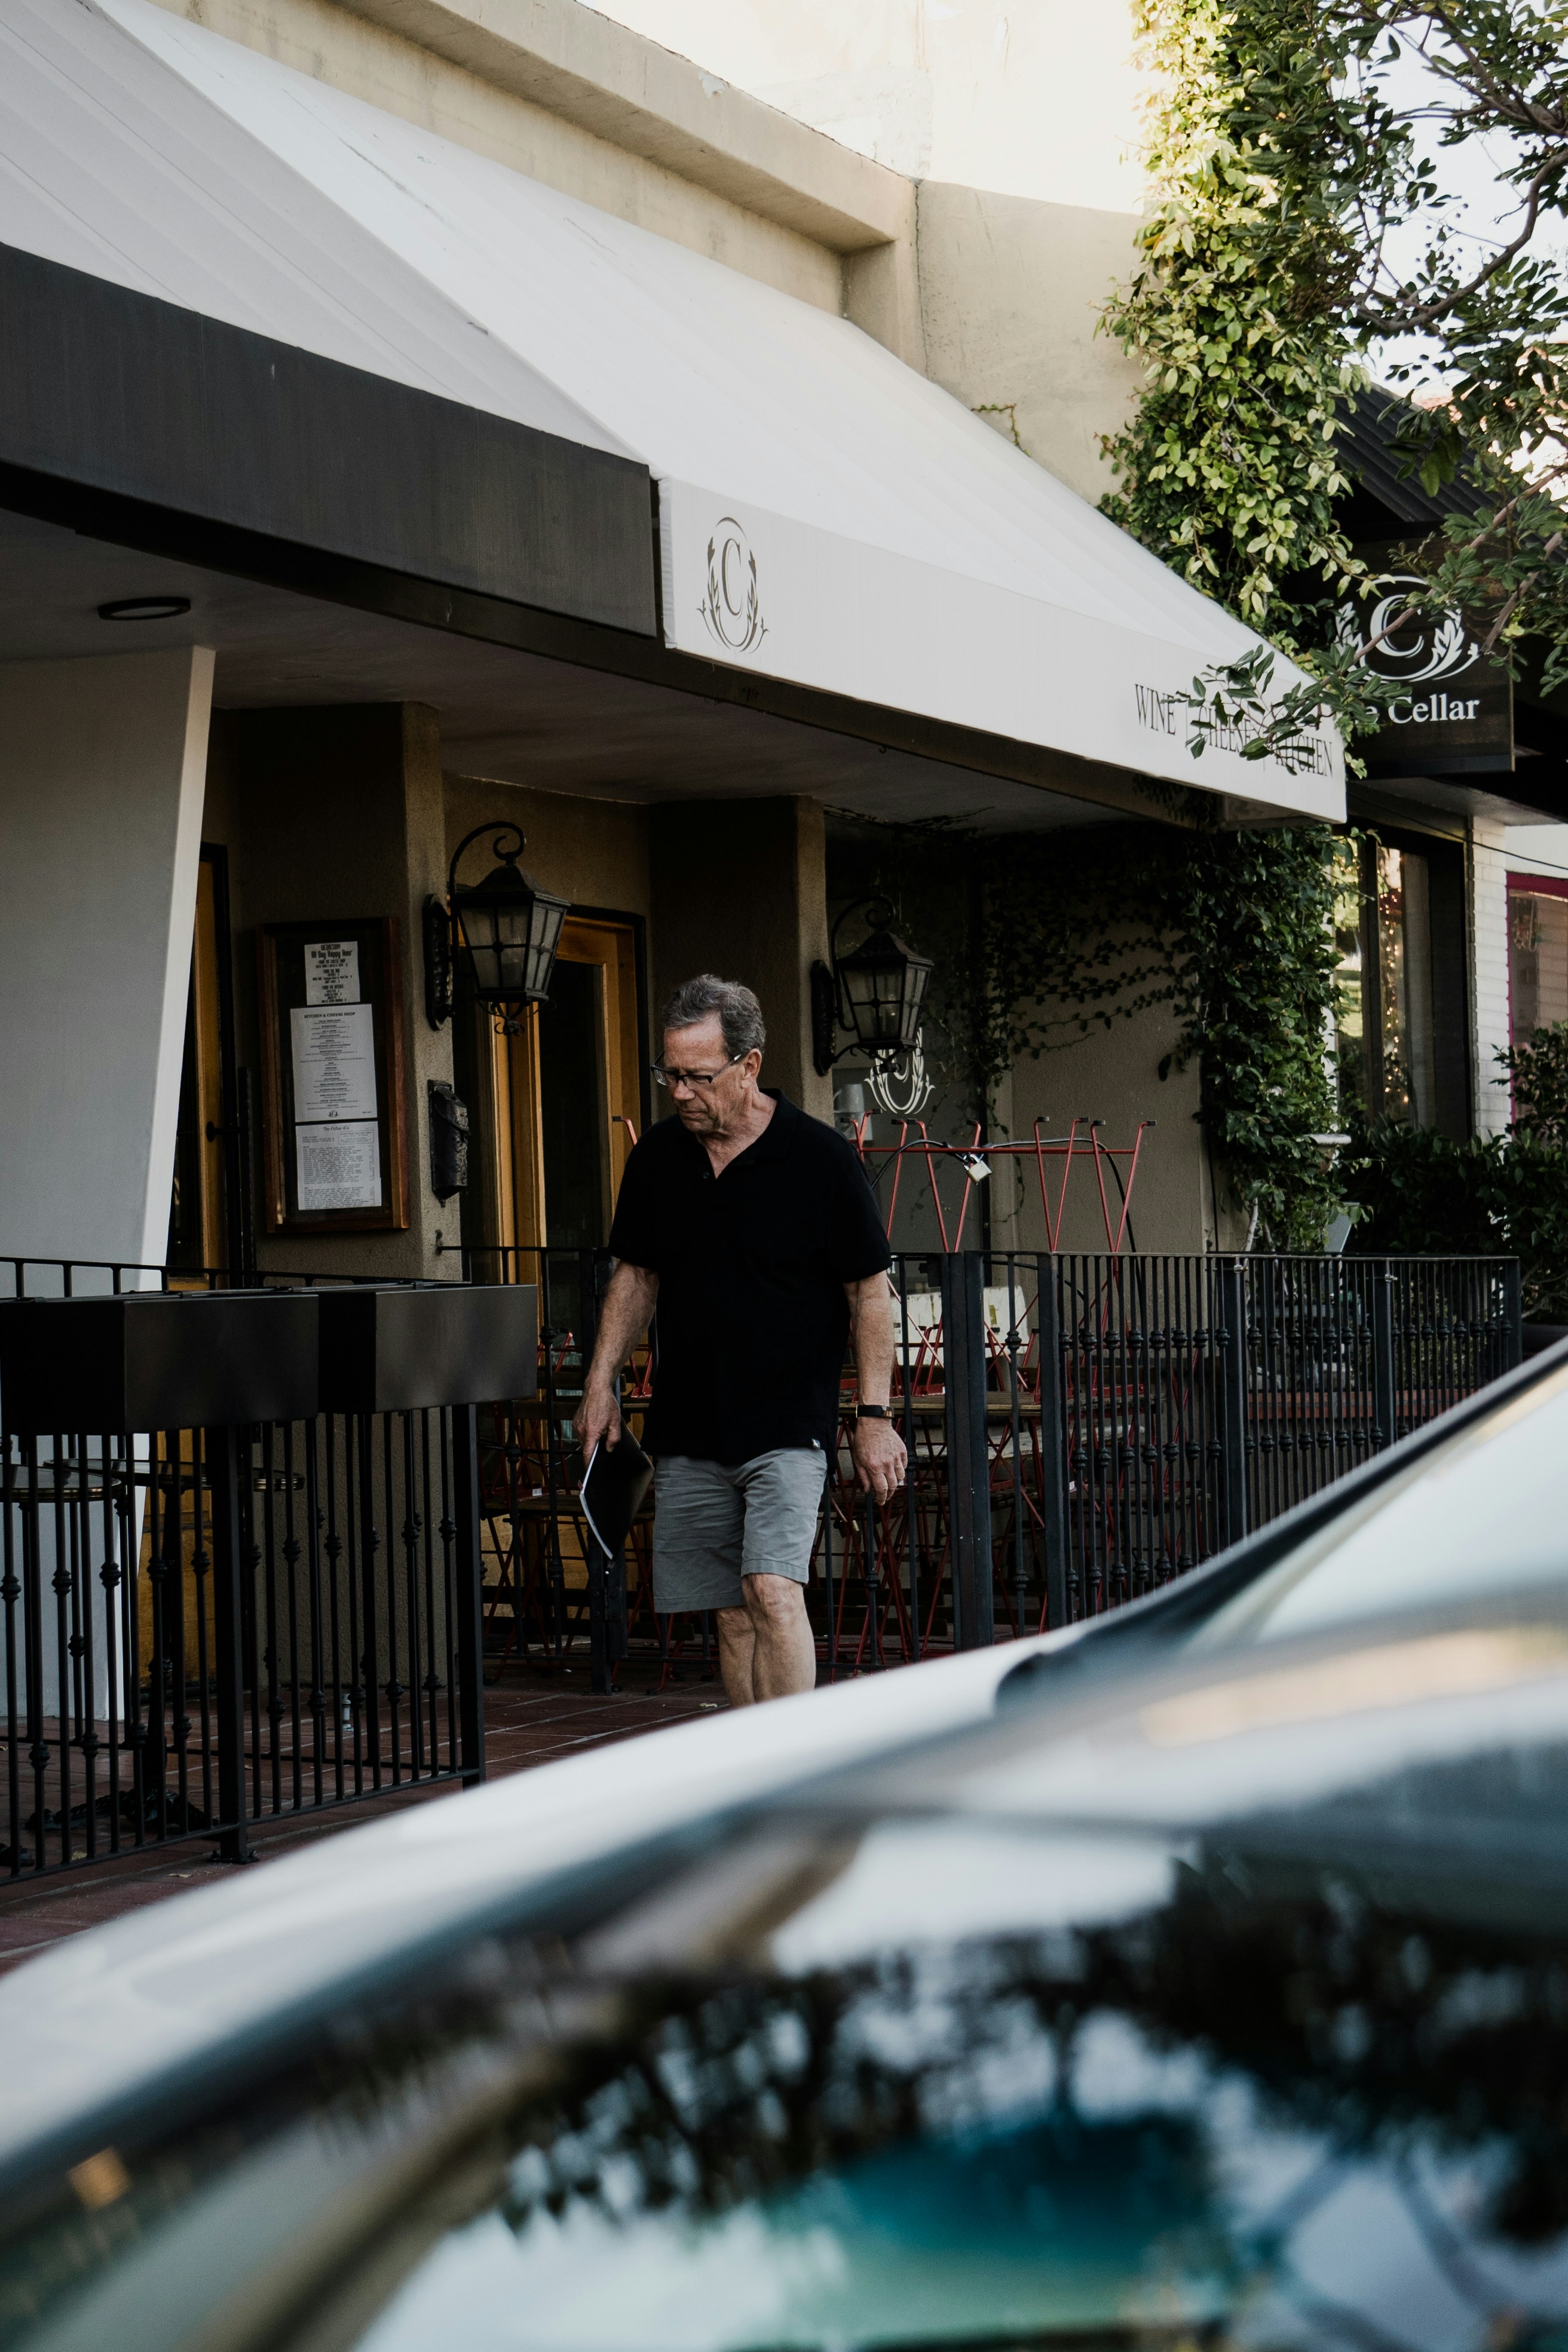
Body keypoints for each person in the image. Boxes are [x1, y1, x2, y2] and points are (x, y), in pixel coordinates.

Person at [574, 973, 906, 1707]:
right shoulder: (658, 1158)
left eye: (697, 1076)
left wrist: (874, 1417)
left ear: (748, 1065)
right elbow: (635, 1277)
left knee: (771, 1589)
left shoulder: (820, 1159)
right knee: (729, 1610)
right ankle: (753, 1777)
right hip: (690, 1422)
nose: (680, 1092)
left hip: (788, 1420)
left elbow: (868, 1291)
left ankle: (793, 1774)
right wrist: (599, 1381)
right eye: (671, 1075)